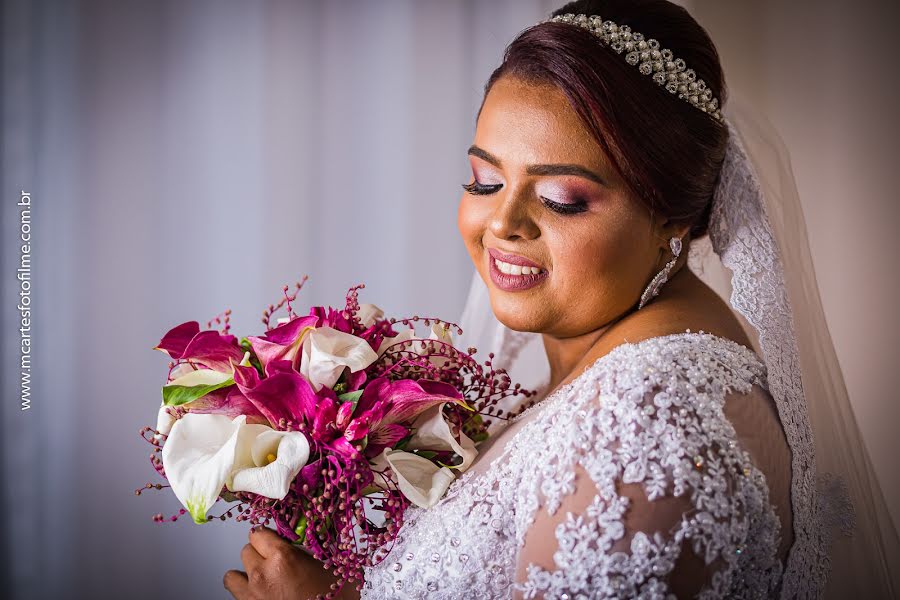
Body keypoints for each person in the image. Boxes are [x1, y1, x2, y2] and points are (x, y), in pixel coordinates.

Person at [224, 1, 899, 598]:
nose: (503, 224)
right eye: (485, 181)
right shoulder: (609, 365)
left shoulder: (646, 422)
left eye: (562, 198)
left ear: (674, 219)